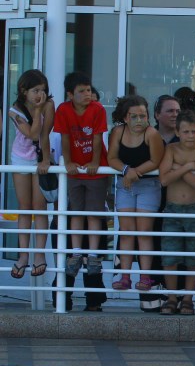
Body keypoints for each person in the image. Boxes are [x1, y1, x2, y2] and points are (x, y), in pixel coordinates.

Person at [107, 95, 165, 294]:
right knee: (126, 231)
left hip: (148, 185)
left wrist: (135, 172)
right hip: (125, 184)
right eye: (134, 117)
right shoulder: (117, 132)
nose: (140, 121)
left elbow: (156, 160)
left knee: (144, 231)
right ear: (125, 118)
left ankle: (145, 277)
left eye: (143, 116)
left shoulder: (152, 134)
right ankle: (124, 277)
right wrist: (126, 171)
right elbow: (111, 158)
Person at [54, 71, 109, 279]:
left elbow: (97, 138)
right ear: (70, 94)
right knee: (76, 211)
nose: (87, 94)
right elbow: (65, 137)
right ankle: (76, 252)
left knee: (94, 213)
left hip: (95, 169)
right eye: (81, 91)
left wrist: (95, 162)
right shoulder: (63, 110)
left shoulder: (98, 109)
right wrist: (67, 162)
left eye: (88, 90)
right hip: (75, 169)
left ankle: (93, 253)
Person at [157, 110, 195, 315]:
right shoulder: (170, 149)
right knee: (169, 256)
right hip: (172, 209)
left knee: (194, 257)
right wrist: (188, 166)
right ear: (178, 132)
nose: (191, 135)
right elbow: (163, 180)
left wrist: (178, 169)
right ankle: (172, 298)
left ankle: (188, 299)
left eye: (194, 131)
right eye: (186, 131)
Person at [7, 69, 54, 279]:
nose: (40, 95)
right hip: (20, 157)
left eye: (43, 90)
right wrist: (36, 112)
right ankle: (23, 255)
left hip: (39, 156)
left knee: (40, 206)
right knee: (24, 207)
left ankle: (39, 254)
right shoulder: (14, 110)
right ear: (23, 90)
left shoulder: (49, 104)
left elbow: (44, 134)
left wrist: (45, 159)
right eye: (35, 90)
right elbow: (32, 133)